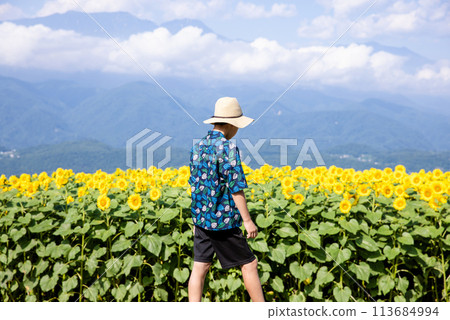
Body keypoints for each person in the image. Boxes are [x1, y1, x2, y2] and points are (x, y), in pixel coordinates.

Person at [187, 97, 265, 302]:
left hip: (202, 218)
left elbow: (195, 185)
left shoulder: (199, 146)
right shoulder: (228, 148)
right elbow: (236, 187)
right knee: (249, 264)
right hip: (222, 221)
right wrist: (247, 221)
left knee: (200, 266)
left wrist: (195, 219)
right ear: (232, 125)